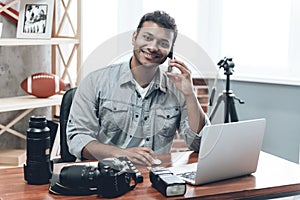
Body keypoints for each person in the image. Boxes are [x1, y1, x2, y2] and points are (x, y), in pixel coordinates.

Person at [67, 10, 210, 166]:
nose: (153, 47)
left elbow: (198, 144)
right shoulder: (95, 82)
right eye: (147, 38)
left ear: (170, 51)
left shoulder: (177, 88)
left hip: (153, 179)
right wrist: (121, 154)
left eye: (163, 43)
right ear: (134, 37)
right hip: (103, 177)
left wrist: (190, 95)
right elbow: (78, 139)